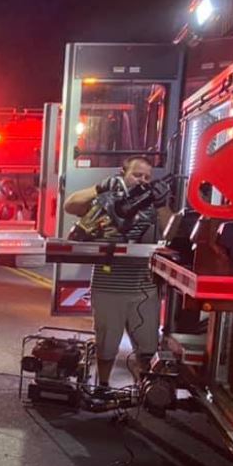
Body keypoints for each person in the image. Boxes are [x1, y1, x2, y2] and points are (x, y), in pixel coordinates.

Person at [63, 156, 171, 389]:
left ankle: (145, 389)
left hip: (144, 288)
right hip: (108, 286)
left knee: (147, 347)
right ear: (123, 173)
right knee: (106, 344)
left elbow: (171, 232)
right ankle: (103, 385)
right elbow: (70, 205)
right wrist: (100, 187)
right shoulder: (105, 200)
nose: (141, 180)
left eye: (146, 177)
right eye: (136, 174)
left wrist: (162, 204)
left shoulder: (152, 205)